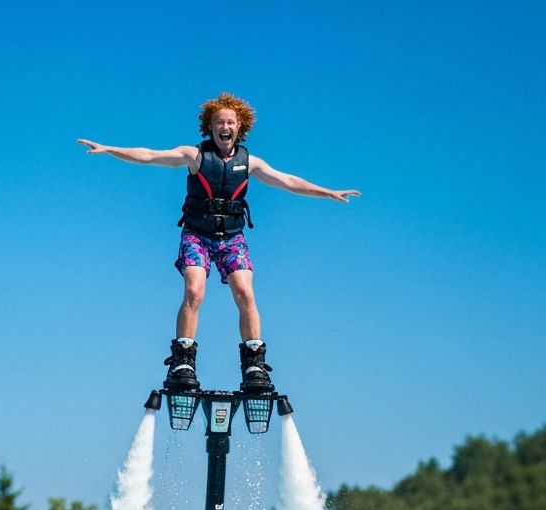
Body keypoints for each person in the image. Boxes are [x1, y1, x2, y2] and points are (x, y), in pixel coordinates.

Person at [77, 92, 361, 393]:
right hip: (197, 234)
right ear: (210, 127)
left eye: (230, 122)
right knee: (194, 289)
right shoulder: (194, 155)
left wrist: (327, 192)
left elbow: (289, 181)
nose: (225, 127)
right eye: (218, 122)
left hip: (232, 238)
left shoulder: (251, 162)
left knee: (245, 292)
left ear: (240, 127)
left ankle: (254, 362)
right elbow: (149, 154)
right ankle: (183, 360)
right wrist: (109, 149)